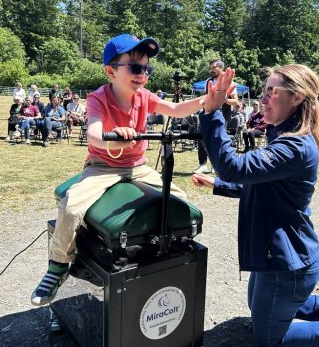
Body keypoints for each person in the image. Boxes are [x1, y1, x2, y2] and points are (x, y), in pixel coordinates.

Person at [192, 64, 319, 347]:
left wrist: (212, 114)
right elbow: (260, 182)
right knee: (256, 303)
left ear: (296, 98)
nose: (264, 98)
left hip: (288, 264)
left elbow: (233, 167)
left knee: (269, 337)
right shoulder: (283, 134)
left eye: (272, 91)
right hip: (281, 255)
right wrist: (217, 184)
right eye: (264, 90)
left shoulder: (293, 145)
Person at [31, 33, 208, 306]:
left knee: (178, 198)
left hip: (138, 167)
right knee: (71, 207)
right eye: (135, 67)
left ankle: (168, 258)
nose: (142, 74)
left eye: (147, 68)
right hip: (103, 167)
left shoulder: (144, 96)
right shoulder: (98, 98)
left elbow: (175, 108)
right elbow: (94, 134)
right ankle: (58, 265)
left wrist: (206, 100)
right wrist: (115, 134)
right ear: (110, 71)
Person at [193, 59, 239, 174]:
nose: (211, 70)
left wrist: (224, 99)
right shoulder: (209, 81)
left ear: (221, 68)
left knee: (217, 139)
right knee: (201, 137)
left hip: (222, 115)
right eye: (211, 67)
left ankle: (216, 164)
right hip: (207, 113)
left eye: (214, 67)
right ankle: (202, 164)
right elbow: (205, 97)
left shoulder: (228, 81)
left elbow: (236, 102)